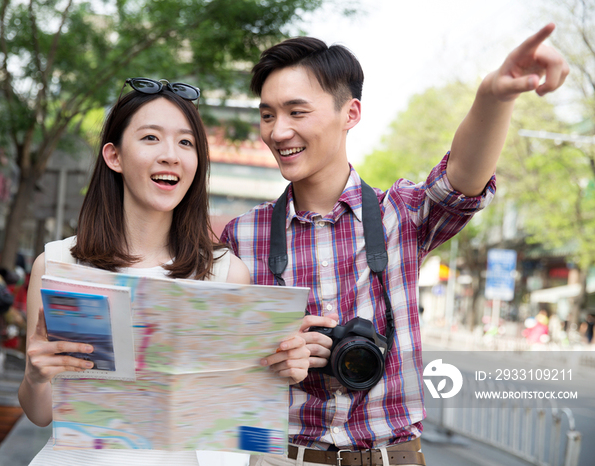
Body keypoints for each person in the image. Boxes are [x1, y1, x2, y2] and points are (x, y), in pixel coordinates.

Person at [221, 24, 568, 466]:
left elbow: (462, 178)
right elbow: (218, 361)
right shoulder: (242, 236)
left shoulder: (399, 215)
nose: (278, 131)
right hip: (282, 456)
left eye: (296, 112)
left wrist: (494, 96)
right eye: (267, 114)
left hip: (393, 456)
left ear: (350, 113)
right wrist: (273, 354)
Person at [18, 78, 310, 465]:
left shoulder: (224, 275)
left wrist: (281, 374)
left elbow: (241, 428)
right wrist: (37, 377)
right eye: (151, 138)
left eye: (186, 143)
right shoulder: (58, 264)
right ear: (114, 156)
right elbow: (40, 414)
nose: (171, 155)